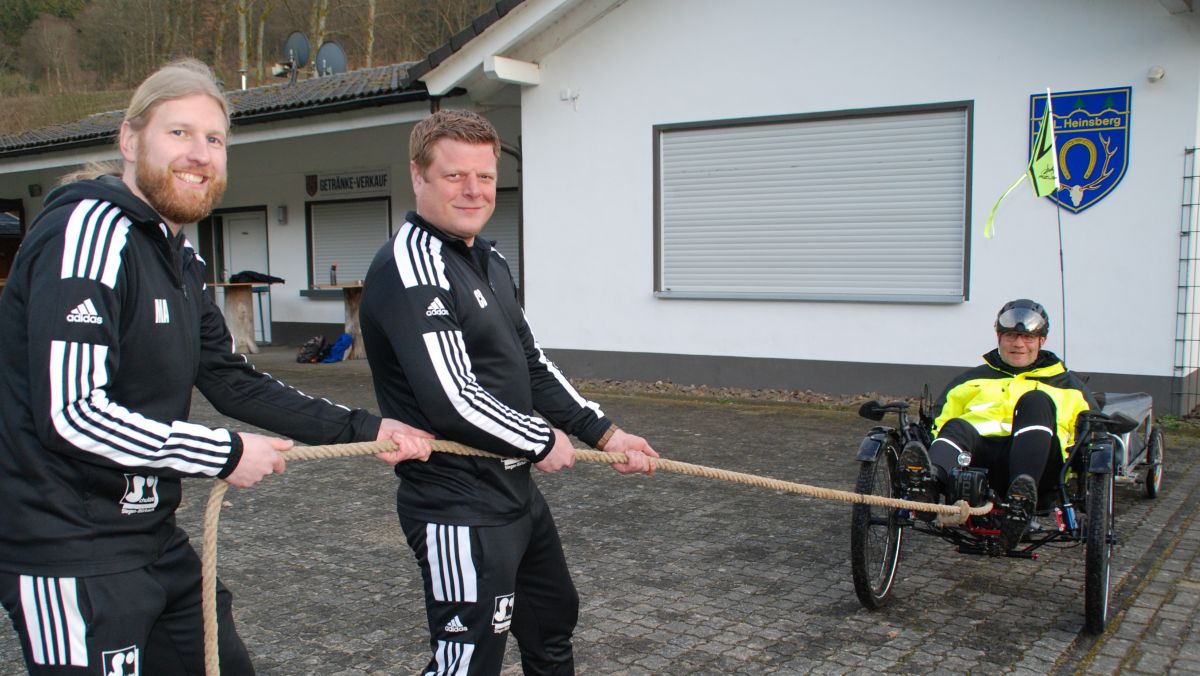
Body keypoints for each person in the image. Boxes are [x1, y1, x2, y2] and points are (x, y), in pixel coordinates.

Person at [0, 59, 432, 675]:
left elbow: (232, 379)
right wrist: (223, 454)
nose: (199, 154)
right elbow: (72, 414)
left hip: (150, 537)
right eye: (178, 132)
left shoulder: (180, 259)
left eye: (214, 139)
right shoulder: (87, 231)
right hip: (68, 548)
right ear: (130, 139)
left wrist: (368, 429)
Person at [360, 109, 659, 675]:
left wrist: (605, 432)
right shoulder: (410, 268)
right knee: (466, 664)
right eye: (455, 176)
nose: (474, 191)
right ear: (419, 176)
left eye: (485, 177)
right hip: (457, 505)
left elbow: (530, 360)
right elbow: (452, 396)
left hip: (513, 494)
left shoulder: (488, 259)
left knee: (551, 626)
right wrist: (540, 440)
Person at [900, 299, 1095, 550]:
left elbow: (1093, 432)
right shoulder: (969, 380)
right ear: (999, 337)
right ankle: (928, 485)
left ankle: (1020, 500)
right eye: (1011, 336)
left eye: (1028, 337)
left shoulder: (1068, 385)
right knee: (956, 424)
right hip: (976, 464)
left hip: (1039, 464)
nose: (1019, 344)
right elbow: (938, 422)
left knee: (1036, 401)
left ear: (1041, 341)